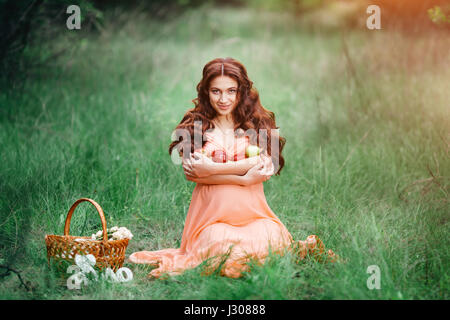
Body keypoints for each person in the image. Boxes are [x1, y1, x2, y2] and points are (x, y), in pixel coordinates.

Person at [129, 57, 338, 278]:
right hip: (212, 221)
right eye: (216, 91)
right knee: (221, 249)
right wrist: (243, 176)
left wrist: (214, 170)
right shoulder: (196, 128)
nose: (224, 99)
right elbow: (195, 172)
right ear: (206, 92)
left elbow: (262, 165)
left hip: (255, 217)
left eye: (231, 91)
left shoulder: (255, 125)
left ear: (242, 92)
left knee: (273, 241)